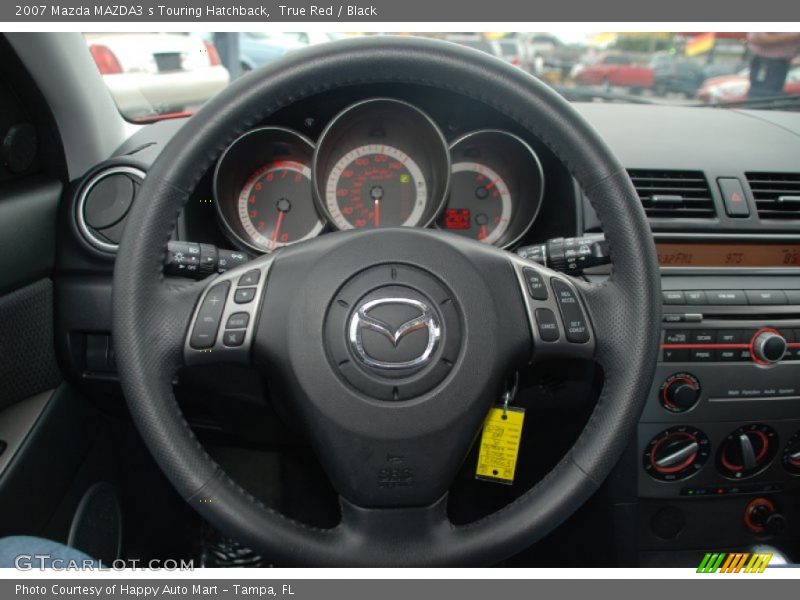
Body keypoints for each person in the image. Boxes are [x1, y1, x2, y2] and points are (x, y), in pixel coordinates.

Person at [747, 32, 800, 99]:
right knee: (763, 97)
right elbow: (757, 38)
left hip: (777, 62)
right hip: (768, 63)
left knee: (768, 97)